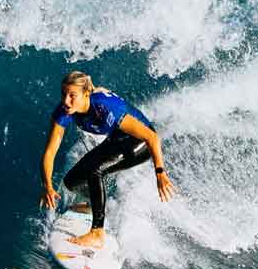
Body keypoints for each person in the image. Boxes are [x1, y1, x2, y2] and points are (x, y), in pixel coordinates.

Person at [40, 70, 174, 249]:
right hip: (116, 139)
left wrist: (160, 172)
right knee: (72, 182)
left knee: (95, 170)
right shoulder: (65, 111)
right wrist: (47, 186)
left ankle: (97, 232)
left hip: (139, 144)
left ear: (86, 94)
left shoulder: (105, 107)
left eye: (72, 96)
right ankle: (94, 204)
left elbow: (152, 137)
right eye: (64, 94)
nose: (66, 101)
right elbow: (50, 152)